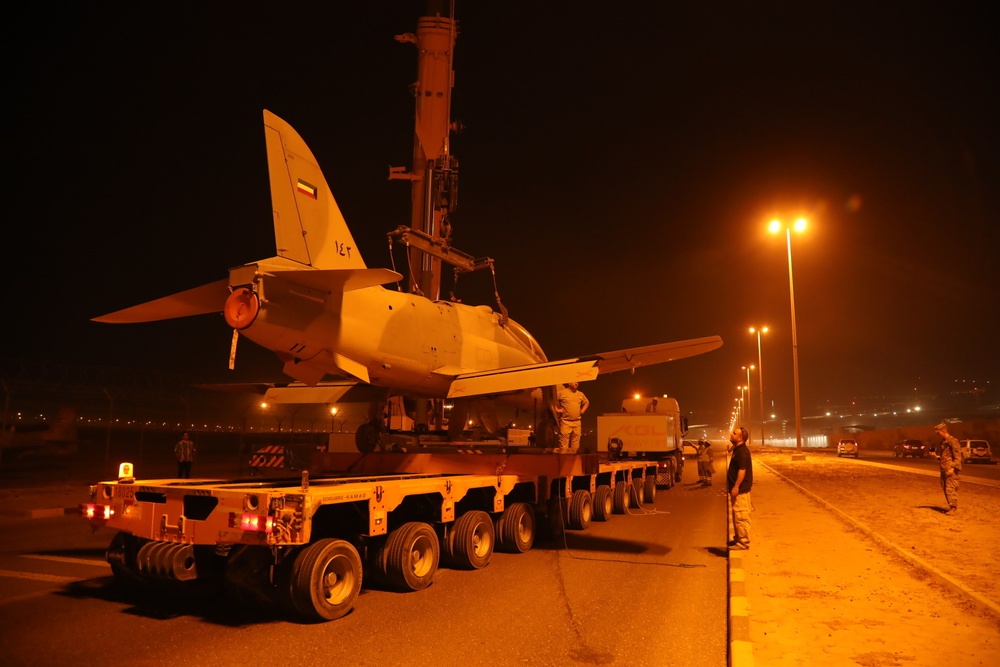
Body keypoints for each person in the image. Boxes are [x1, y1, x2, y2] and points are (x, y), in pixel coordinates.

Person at [727, 426, 753, 550]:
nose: (731, 434)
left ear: (740, 438)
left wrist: (736, 486)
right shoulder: (738, 449)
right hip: (738, 490)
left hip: (741, 490)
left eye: (734, 433)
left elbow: (742, 470)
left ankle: (743, 542)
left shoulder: (742, 452)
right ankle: (738, 539)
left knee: (741, 516)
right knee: (737, 515)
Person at [932, 422, 961, 515]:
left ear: (943, 430)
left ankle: (953, 508)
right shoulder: (943, 442)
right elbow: (944, 457)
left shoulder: (953, 441)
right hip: (944, 468)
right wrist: (936, 456)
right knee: (945, 487)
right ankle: (950, 506)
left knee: (950, 488)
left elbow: (957, 457)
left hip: (950, 469)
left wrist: (952, 468)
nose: (937, 434)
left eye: (938, 432)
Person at [556, 382, 589, 451]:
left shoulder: (580, 394)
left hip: (577, 422)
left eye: (577, 382)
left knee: (576, 443)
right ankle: (564, 460)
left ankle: (573, 460)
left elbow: (586, 402)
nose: (576, 383)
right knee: (564, 444)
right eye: (574, 381)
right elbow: (552, 400)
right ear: (569, 382)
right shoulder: (561, 393)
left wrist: (582, 410)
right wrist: (557, 409)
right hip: (565, 422)